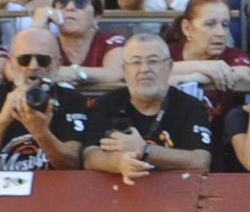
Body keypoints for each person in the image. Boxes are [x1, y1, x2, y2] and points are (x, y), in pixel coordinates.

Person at [82, 29, 236, 181]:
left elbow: (201, 161)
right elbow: (89, 156)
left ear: (169, 67)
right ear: (124, 70)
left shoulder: (190, 106)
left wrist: (144, 150)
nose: (144, 69)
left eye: (153, 61)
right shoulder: (107, 104)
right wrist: (118, 162)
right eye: (136, 62)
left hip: (177, 196)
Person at [0, 27, 89, 171]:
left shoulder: (72, 99)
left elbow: (73, 164)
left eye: (43, 60)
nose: (33, 66)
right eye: (24, 59)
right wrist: (2, 120)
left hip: (53, 189)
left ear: (57, 64)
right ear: (11, 62)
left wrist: (41, 132)